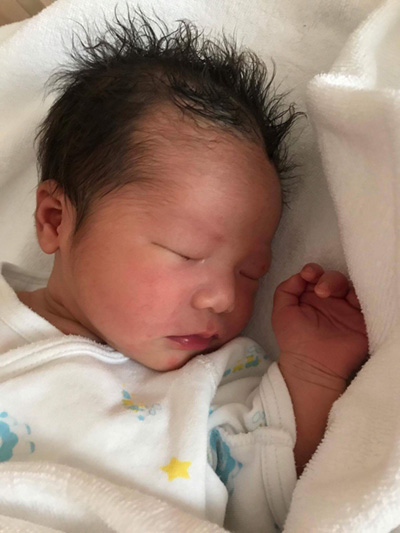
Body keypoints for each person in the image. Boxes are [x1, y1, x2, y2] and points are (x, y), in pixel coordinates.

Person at [0, 10, 368, 532]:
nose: (223, 297)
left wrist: (314, 372)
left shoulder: (215, 380)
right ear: (56, 220)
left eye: (250, 272)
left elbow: (273, 489)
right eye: (187, 252)